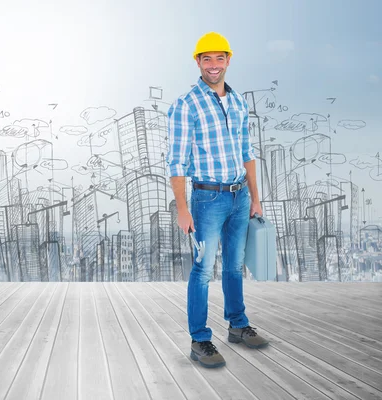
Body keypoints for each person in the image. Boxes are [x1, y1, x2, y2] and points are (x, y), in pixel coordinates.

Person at [166, 31, 269, 369]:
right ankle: (200, 339)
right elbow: (177, 161)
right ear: (197, 62)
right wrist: (182, 208)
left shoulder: (238, 102)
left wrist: (255, 199)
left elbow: (247, 153)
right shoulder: (186, 105)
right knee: (202, 269)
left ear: (228, 60)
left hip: (239, 197)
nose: (213, 65)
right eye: (206, 59)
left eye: (219, 58)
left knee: (235, 265)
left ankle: (237, 325)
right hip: (207, 200)